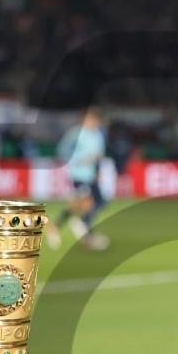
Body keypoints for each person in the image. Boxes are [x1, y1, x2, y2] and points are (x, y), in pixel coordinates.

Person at [48, 107, 109, 250]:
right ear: (84, 119)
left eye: (95, 120)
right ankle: (85, 230)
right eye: (91, 119)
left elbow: (99, 154)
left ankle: (56, 228)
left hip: (91, 174)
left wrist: (98, 168)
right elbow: (62, 150)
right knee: (89, 202)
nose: (94, 122)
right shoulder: (76, 133)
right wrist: (77, 160)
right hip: (78, 174)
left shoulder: (98, 134)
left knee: (87, 203)